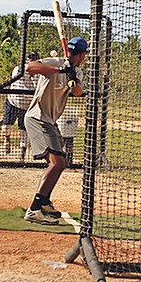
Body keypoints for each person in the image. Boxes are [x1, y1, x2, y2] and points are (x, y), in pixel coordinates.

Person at [23, 37, 88, 225]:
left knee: (61, 162)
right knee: (57, 163)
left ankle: (44, 202)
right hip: (37, 117)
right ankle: (35, 209)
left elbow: (77, 92)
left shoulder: (77, 72)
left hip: (49, 121)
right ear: (82, 55)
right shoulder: (56, 63)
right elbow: (30, 68)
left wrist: (71, 78)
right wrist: (59, 69)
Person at [0, 51, 40, 161]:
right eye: (29, 59)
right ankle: (7, 139)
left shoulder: (40, 74)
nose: (31, 61)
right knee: (6, 126)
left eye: (33, 59)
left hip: (27, 106)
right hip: (13, 102)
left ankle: (21, 157)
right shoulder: (18, 69)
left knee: (24, 131)